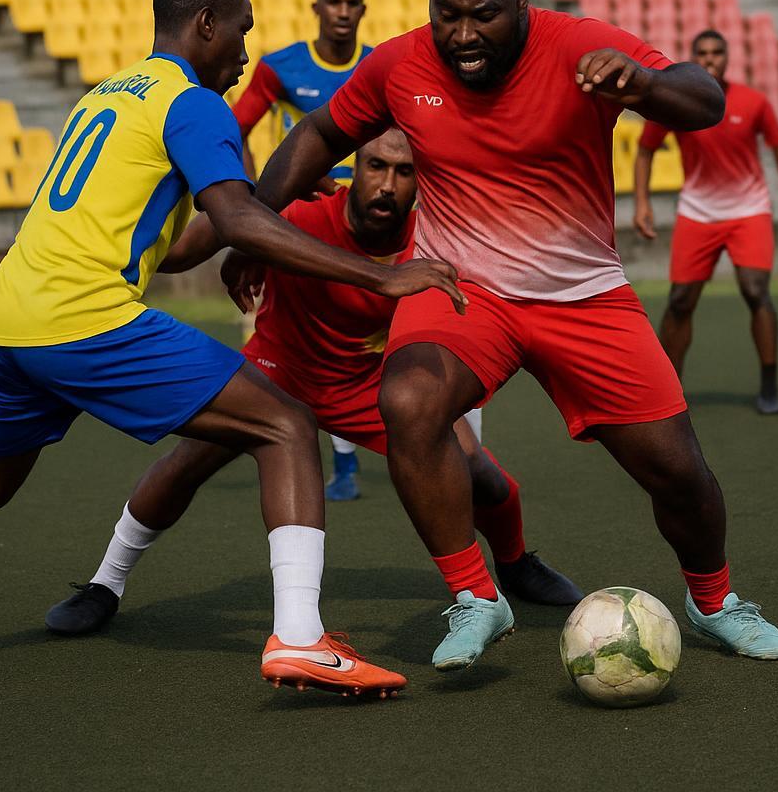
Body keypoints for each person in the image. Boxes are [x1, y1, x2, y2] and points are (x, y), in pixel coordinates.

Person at [0, 0, 465, 697]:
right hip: (83, 316)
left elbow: (174, 242)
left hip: (6, 320)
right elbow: (237, 221)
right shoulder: (194, 104)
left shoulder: (107, 94)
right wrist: (379, 274)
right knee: (286, 424)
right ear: (206, 23)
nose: (244, 54)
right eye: (240, 32)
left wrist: (254, 205)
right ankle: (300, 638)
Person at [235, 0, 778, 673]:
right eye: (447, 15)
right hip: (465, 290)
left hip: (583, 296)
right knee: (408, 403)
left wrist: (644, 84)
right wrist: (257, 226)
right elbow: (318, 133)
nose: (463, 35)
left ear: (521, 1)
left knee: (679, 472)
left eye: (484, 15)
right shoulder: (400, 64)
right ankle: (476, 595)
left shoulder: (579, 45)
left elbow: (704, 98)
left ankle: (715, 602)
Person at [44, 129, 581, 636]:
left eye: (403, 172)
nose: (387, 184)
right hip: (279, 374)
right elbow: (212, 237)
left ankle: (515, 562)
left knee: (477, 469)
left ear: (422, 181)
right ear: (355, 168)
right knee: (188, 463)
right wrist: (245, 249)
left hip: (370, 383)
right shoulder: (298, 215)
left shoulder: (435, 241)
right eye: (376, 166)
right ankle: (105, 584)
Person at [231, 0, 374, 500]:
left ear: (363, 10)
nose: (343, 11)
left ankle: (448, 453)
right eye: (334, 1)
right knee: (292, 339)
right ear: (317, 8)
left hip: (366, 225)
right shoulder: (281, 66)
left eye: (352, 2)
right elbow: (237, 128)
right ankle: (326, 458)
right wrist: (255, 199)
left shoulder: (377, 66)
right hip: (301, 222)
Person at [633, 29, 778, 414]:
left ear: (727, 57)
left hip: (749, 210)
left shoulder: (754, 101)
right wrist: (642, 202)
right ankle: (669, 390)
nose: (710, 59)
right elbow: (644, 151)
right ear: (693, 58)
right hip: (698, 212)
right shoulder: (676, 101)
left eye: (716, 52)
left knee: (755, 291)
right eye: (703, 53)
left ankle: (769, 385)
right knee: (680, 301)